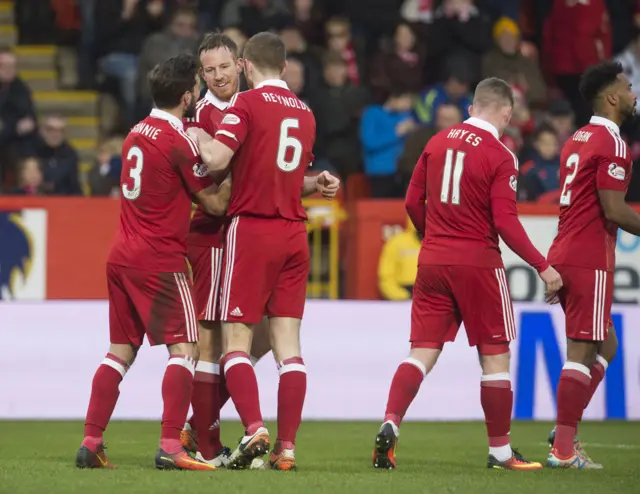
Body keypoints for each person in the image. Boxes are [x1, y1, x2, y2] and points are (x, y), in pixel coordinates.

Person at [373, 77, 563, 471]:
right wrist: (543, 266)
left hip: (432, 260)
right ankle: (500, 452)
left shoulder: (436, 142)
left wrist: (432, 234)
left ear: (472, 106)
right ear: (507, 114)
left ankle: (390, 422)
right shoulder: (501, 154)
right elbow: (506, 223)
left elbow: (411, 201)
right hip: (477, 262)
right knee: (495, 357)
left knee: (421, 352)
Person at [75, 53, 232, 471]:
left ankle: (91, 441)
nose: (200, 92)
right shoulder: (178, 142)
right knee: (186, 349)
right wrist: (238, 167)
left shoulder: (135, 133)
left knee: (118, 353)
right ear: (187, 96)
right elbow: (215, 203)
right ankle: (170, 444)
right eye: (197, 87)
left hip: (121, 255)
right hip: (160, 259)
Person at [194, 32, 340, 471]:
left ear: (245, 66)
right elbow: (286, 173)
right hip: (295, 232)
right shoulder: (306, 112)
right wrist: (318, 183)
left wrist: (195, 134)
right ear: (285, 66)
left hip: (253, 229)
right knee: (288, 347)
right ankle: (287, 448)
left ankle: (254, 425)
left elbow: (217, 160)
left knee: (234, 342)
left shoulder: (246, 105)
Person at [180, 31, 272, 468]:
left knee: (267, 336)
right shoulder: (200, 118)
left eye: (224, 66)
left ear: (240, 64)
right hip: (214, 234)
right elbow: (210, 189)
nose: (217, 76)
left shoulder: (259, 105)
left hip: (255, 235)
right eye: (209, 70)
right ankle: (206, 442)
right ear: (201, 74)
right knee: (211, 341)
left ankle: (199, 425)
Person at [546, 61, 637, 470]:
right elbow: (614, 210)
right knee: (581, 350)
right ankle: (563, 448)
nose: (635, 95)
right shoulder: (613, 144)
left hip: (564, 251)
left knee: (608, 345)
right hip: (588, 257)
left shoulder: (577, 138)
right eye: (630, 87)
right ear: (614, 97)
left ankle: (564, 428)